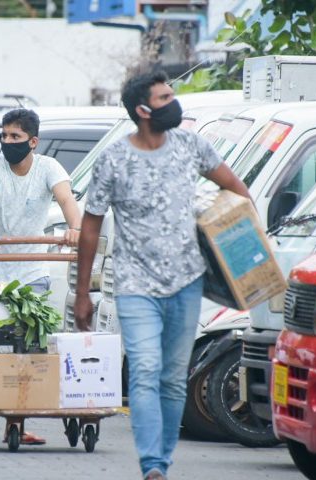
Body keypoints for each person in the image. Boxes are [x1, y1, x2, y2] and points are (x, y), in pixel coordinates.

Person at [73, 65, 251, 480]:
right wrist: (83, 291)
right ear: (143, 110)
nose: (175, 103)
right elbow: (90, 226)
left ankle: (162, 462)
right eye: (165, 98)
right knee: (145, 371)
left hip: (187, 284)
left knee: (172, 379)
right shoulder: (114, 160)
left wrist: (243, 246)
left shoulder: (192, 145)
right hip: (135, 286)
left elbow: (236, 190)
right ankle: (152, 465)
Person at [0, 108, 81, 445]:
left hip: (32, 269)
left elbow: (66, 199)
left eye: (15, 137)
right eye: (4, 136)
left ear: (33, 142)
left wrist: (75, 229)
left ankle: (15, 421)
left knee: (29, 345)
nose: (8, 142)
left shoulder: (49, 168)